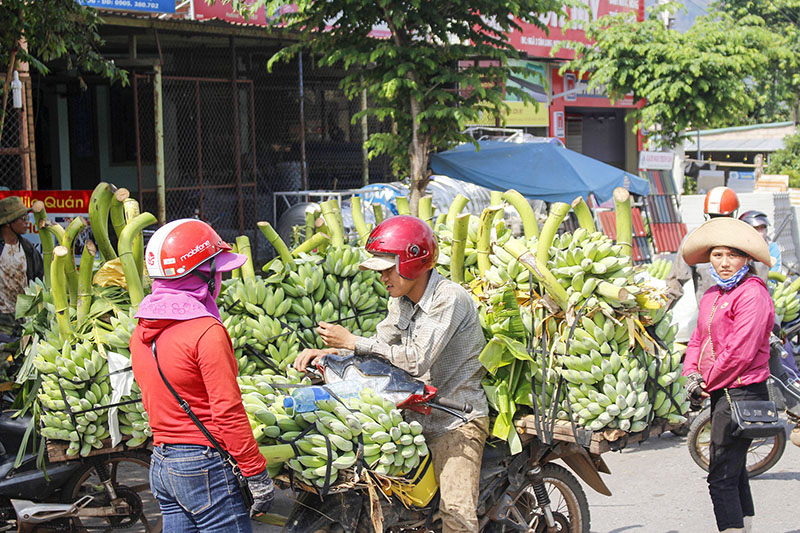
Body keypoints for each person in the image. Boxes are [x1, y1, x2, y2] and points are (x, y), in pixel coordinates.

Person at [294, 215, 489, 533]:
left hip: (455, 419)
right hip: (410, 414)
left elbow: (416, 362)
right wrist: (334, 354)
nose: (383, 277)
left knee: (456, 514)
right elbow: (380, 348)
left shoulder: (448, 299)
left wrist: (351, 340)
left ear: (414, 263)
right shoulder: (401, 301)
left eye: (388, 268)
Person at [129, 219, 273, 532]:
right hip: (203, 467)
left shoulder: (141, 331)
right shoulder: (206, 331)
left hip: (163, 464)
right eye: (217, 272)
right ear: (202, 275)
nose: (221, 278)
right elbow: (228, 413)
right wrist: (256, 474)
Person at [681, 217, 774, 533]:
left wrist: (708, 381)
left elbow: (740, 352)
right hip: (722, 391)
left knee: (719, 475)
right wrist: (691, 372)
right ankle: (744, 527)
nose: (723, 263)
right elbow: (698, 338)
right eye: (717, 255)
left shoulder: (752, 294)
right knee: (734, 471)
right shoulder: (712, 294)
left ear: (746, 258)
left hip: (743, 391)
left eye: (731, 255)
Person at [0, 196, 43, 336]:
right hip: (2, 319)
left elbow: (39, 278)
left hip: (24, 318)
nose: (27, 223)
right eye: (22, 219)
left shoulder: (28, 249)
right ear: (8, 223)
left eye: (27, 218)